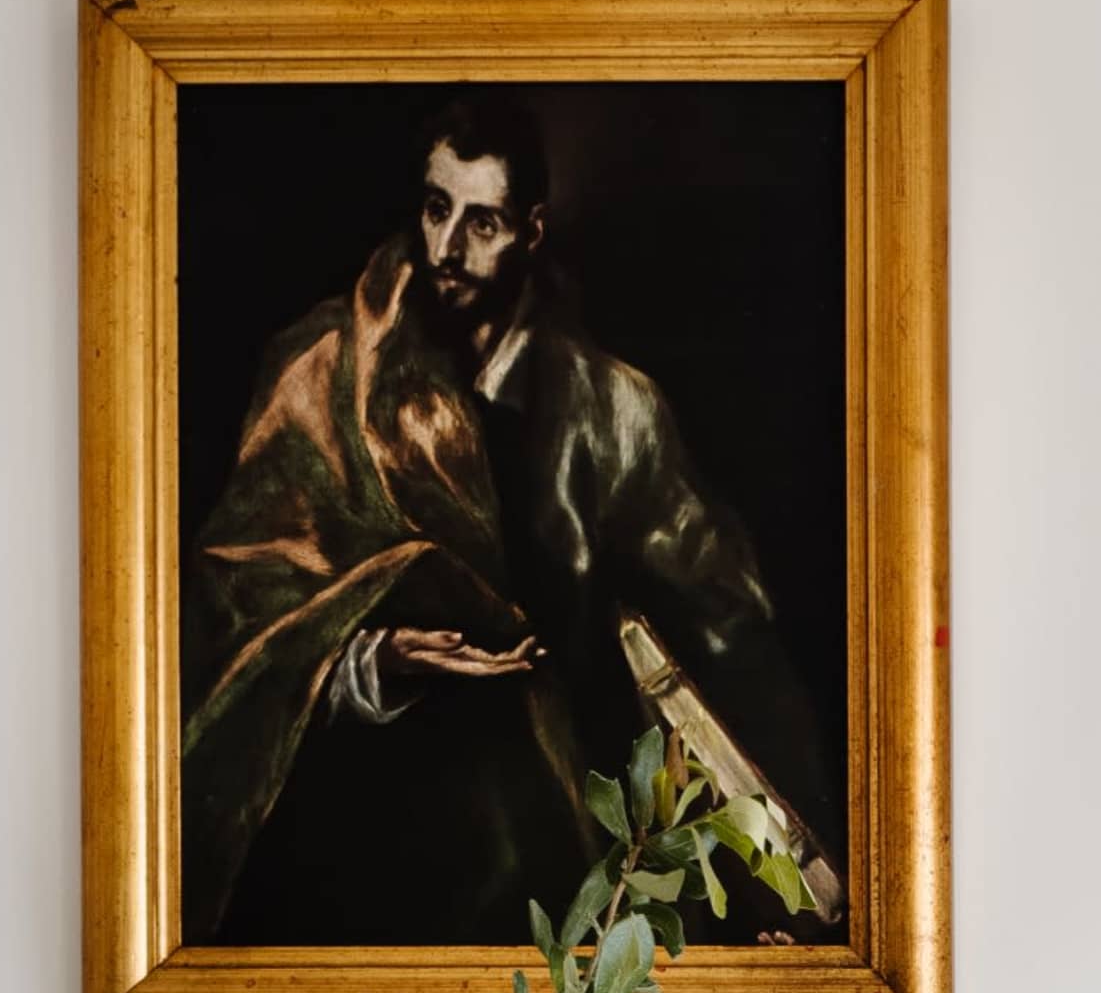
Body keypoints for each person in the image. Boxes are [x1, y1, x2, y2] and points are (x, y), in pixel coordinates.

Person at [180, 94, 846, 946]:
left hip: (563, 852)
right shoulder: (323, 372)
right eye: (436, 209)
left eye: (482, 223)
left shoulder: (613, 408)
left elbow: (725, 637)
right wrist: (373, 660)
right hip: (372, 848)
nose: (446, 248)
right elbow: (238, 614)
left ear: (530, 232)